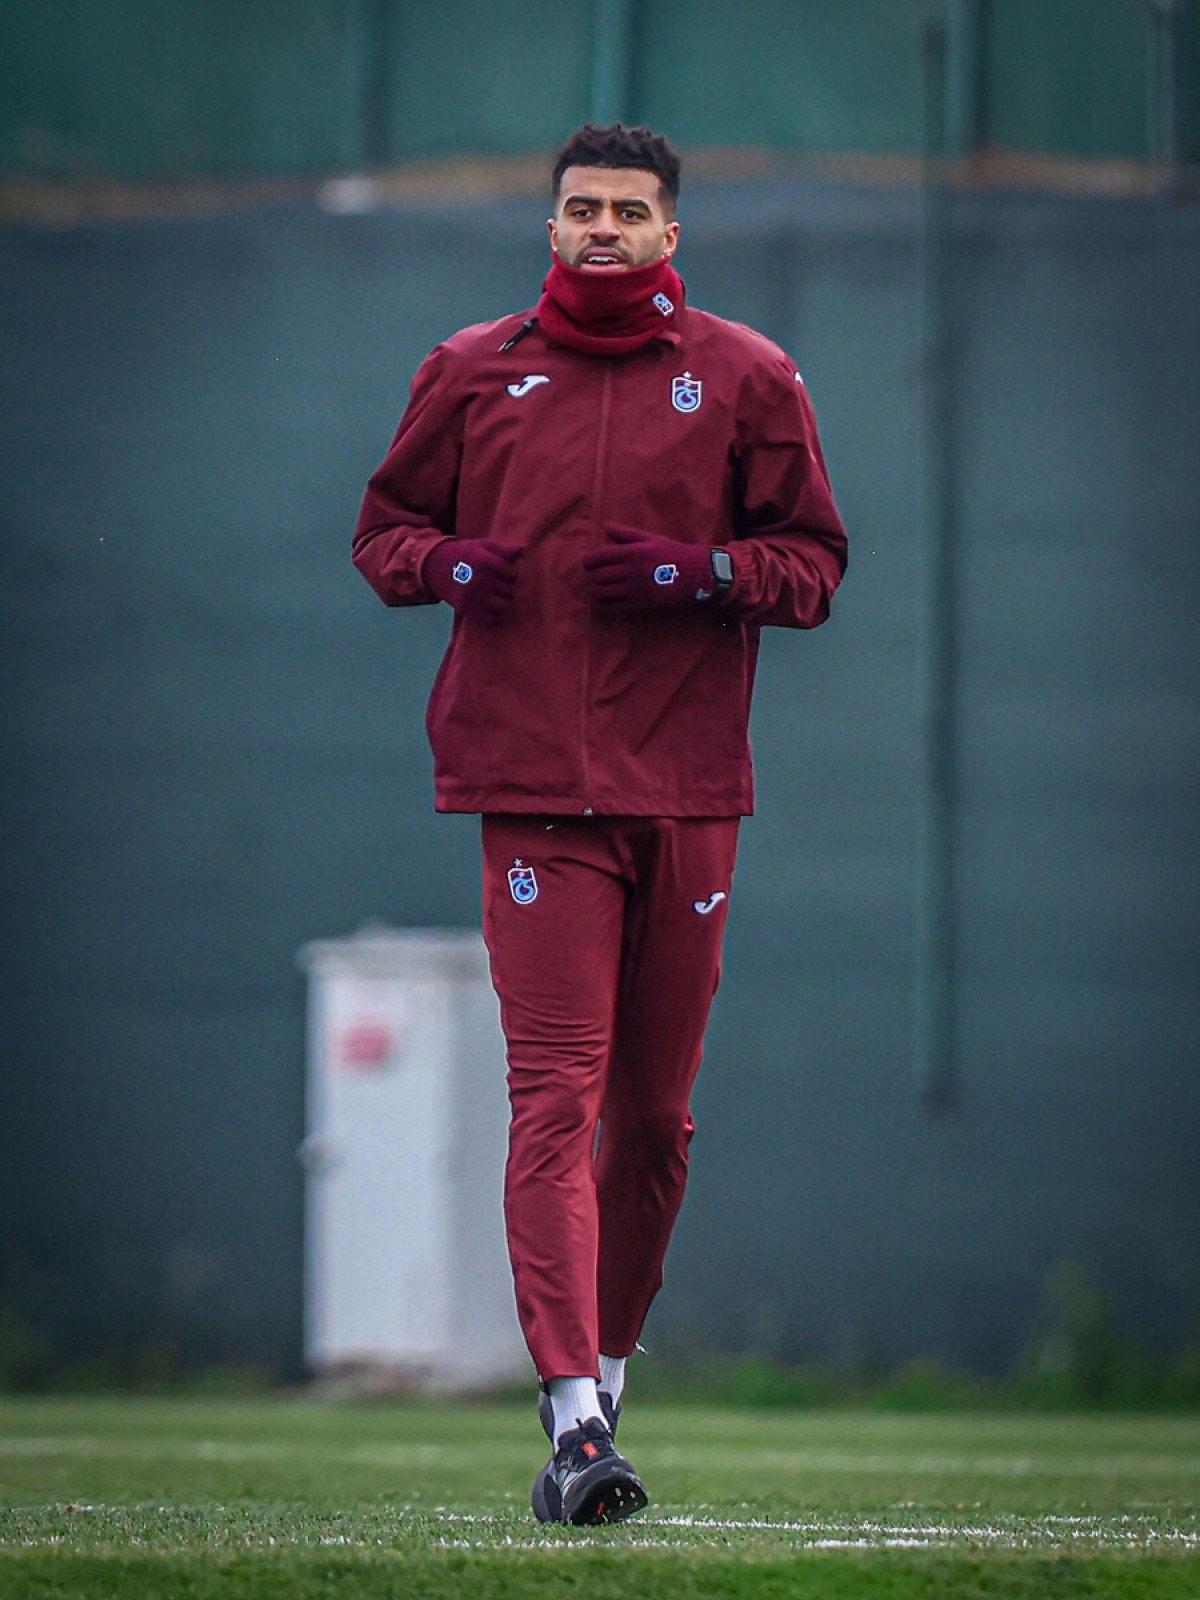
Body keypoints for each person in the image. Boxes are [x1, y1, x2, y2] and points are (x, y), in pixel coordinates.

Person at [353, 122, 847, 1525]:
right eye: (585, 209)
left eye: (632, 211)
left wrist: (705, 574)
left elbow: (814, 564)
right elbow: (383, 535)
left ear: (671, 235)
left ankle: (607, 1377)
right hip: (532, 793)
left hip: (686, 790)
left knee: (654, 1122)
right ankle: (573, 1421)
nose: (607, 230)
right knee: (554, 1099)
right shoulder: (471, 369)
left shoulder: (747, 375)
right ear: (553, 226)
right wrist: (447, 561)